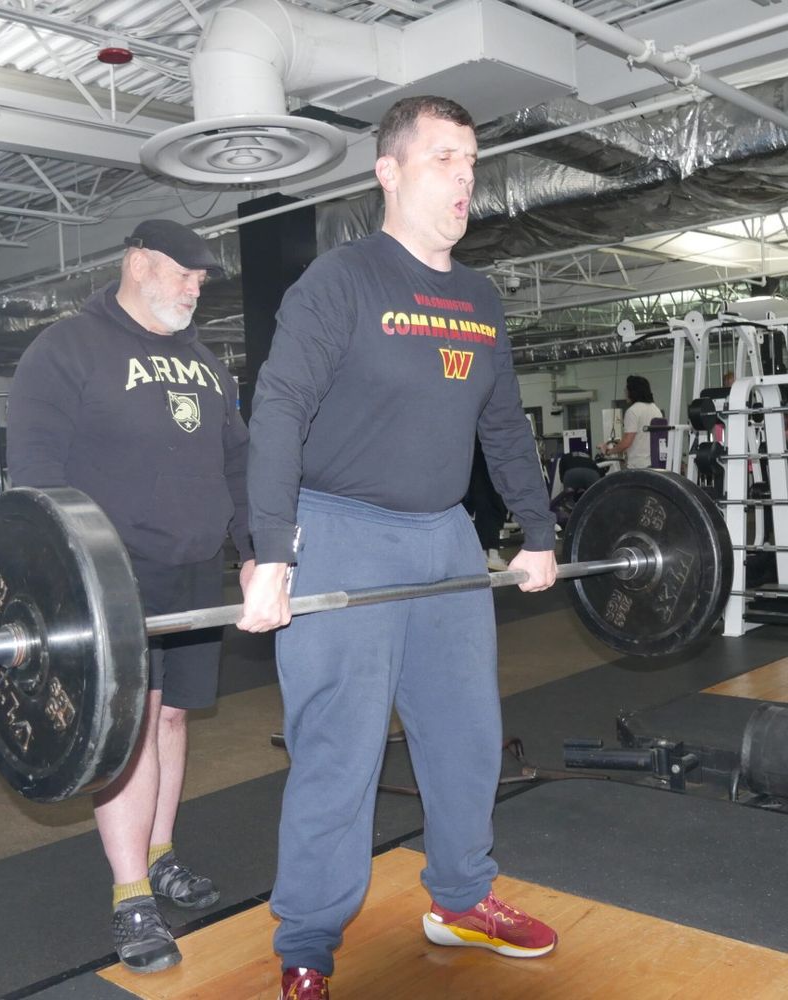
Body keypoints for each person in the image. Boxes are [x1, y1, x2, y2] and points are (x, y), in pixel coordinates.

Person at [238, 95, 559, 1000]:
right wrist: (272, 549)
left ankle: (461, 898)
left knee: (465, 735)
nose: (464, 179)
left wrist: (536, 531)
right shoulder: (340, 283)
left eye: (472, 163)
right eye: (444, 159)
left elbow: (502, 423)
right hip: (340, 529)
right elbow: (279, 410)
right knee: (339, 747)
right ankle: (307, 941)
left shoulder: (479, 296)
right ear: (389, 172)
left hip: (447, 537)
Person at [7, 218, 254, 975]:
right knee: (133, 727)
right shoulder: (66, 348)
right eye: (184, 274)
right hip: (110, 575)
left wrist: (254, 553)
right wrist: (54, 583)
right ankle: (131, 894)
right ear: (138, 261)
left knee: (173, 717)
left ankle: (161, 849)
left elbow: (238, 464)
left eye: (203, 280)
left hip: (190, 569)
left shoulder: (204, 361)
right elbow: (34, 475)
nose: (195, 288)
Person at [464, 436, 510, 571]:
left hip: (481, 460)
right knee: (490, 507)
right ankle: (490, 554)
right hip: (485, 460)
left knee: (487, 507)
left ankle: (486, 554)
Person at [599, 375, 664, 469]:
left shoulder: (633, 411)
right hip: (655, 464)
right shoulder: (656, 410)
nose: (625, 393)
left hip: (639, 466)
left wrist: (608, 451)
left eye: (626, 390)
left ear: (633, 392)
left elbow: (626, 442)